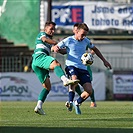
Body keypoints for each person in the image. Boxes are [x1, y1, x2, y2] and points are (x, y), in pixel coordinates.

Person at [52, 23, 112, 115]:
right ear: (76, 31)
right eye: (82, 34)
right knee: (74, 79)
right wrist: (56, 48)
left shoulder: (86, 41)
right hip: (71, 66)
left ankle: (77, 103)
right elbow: (55, 47)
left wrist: (104, 61)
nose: (84, 37)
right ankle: (70, 102)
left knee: (89, 90)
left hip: (83, 68)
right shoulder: (68, 40)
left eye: (85, 35)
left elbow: (95, 49)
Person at [32, 21, 79, 115]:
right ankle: (65, 80)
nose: (53, 31)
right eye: (51, 29)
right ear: (45, 29)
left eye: (54, 29)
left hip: (37, 63)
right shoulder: (42, 34)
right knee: (56, 64)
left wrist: (72, 49)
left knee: (47, 87)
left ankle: (39, 106)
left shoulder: (50, 41)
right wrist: (58, 43)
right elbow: (45, 39)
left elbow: (61, 51)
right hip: (40, 56)